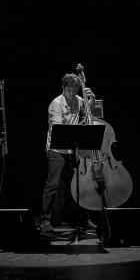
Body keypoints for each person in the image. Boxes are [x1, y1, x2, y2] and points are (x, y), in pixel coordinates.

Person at [40, 73, 96, 234]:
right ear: (63, 88)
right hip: (56, 150)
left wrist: (91, 99)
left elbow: (89, 113)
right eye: (69, 90)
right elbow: (58, 129)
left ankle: (82, 219)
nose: (72, 93)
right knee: (53, 185)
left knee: (78, 185)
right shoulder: (56, 103)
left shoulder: (79, 100)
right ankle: (45, 221)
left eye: (75, 90)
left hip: (72, 149)